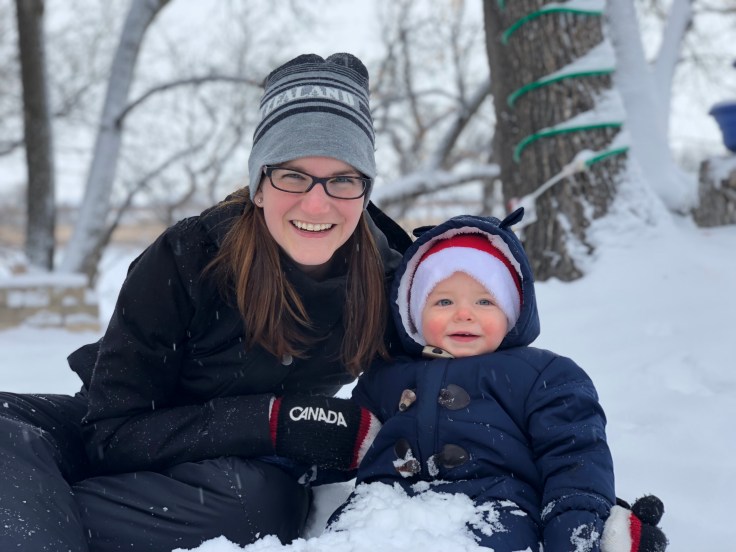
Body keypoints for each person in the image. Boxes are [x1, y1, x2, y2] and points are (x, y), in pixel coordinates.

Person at [0, 53, 412, 551]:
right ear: (259, 186)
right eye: (292, 175)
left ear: (365, 192)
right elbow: (111, 434)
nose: (316, 202)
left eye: (343, 179)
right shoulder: (189, 256)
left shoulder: (394, 284)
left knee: (250, 508)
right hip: (125, 435)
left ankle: (34, 504)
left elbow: (457, 375)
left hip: (232, 481)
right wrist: (274, 420)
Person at [332, 209, 668, 551]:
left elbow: (573, 459)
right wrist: (302, 438)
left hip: (496, 511)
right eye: (444, 301)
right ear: (414, 314)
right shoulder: (386, 376)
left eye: (485, 300)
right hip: (381, 508)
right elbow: (342, 441)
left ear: (512, 312)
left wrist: (578, 529)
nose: (464, 314)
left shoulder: (543, 376)